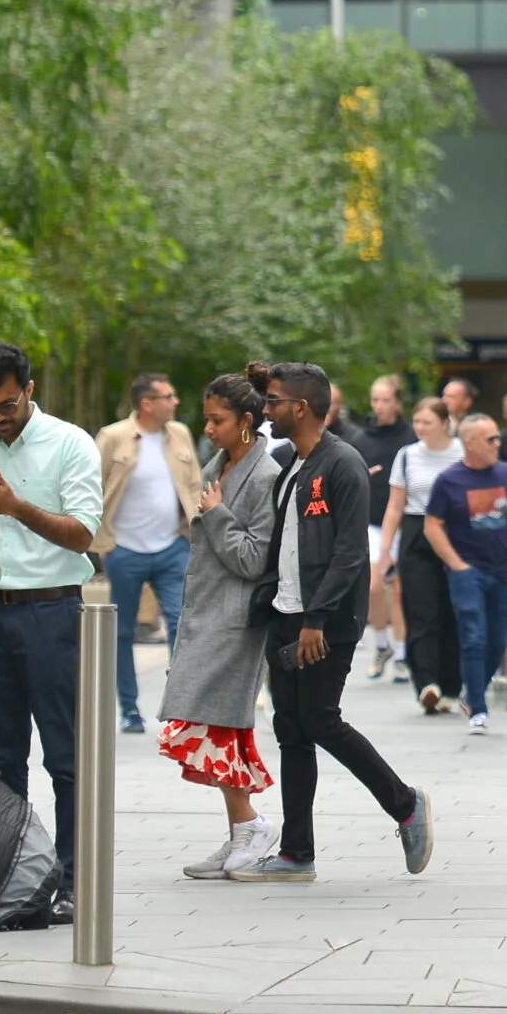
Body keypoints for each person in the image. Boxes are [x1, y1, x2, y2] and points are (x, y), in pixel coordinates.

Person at [228, 361, 434, 883]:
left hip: (324, 622)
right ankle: (297, 854)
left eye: (272, 402)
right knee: (292, 730)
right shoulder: (292, 462)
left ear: (299, 408)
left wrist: (316, 619)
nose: (264, 410)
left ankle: (405, 803)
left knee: (320, 720)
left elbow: (348, 553)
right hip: (286, 614)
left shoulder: (341, 464)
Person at [0, 340, 102, 915]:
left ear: (29, 390)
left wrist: (14, 507)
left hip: (54, 610)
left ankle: (74, 879)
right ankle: (13, 875)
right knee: (1, 755)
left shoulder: (70, 443)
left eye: (6, 405)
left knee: (66, 754)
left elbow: (83, 533)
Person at [158, 371, 284, 878]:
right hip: (207, 614)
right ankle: (242, 829)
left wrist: (215, 515)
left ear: (247, 422)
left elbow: (253, 559)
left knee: (217, 722)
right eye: (206, 417)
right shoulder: (220, 465)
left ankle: (251, 825)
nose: (207, 427)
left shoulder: (265, 475)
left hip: (234, 621)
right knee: (214, 723)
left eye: (218, 419)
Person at [95, 373, 203, 735]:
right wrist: (103, 543)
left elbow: (193, 486)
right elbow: (93, 486)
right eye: (168, 396)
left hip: (173, 546)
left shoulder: (181, 435)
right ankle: (129, 709)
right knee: (122, 632)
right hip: (124, 548)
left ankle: (180, 707)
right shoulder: (112, 437)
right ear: (147, 403)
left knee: (181, 623)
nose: (175, 402)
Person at [423, 413, 507, 734]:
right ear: (470, 443)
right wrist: (456, 563)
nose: (497, 444)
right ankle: (478, 706)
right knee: (473, 637)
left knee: (497, 642)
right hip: (468, 571)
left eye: (497, 438)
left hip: (502, 571)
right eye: (490, 439)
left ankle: (472, 690)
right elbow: (432, 525)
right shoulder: (450, 480)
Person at [379, 396, 464, 713]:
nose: (420, 428)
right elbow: (395, 506)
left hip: (455, 532)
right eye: (417, 422)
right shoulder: (407, 456)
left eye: (427, 422)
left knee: (452, 610)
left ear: (445, 423)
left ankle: (452, 685)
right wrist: (386, 548)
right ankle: (427, 683)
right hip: (416, 532)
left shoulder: (462, 452)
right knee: (420, 610)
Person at [355, 376, 414, 681]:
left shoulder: (411, 438)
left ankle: (403, 654)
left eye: (385, 400)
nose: (379, 406)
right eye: (375, 400)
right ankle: (381, 645)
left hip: (406, 521)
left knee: (402, 590)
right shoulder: (361, 439)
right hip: (372, 521)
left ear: (398, 403)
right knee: (373, 585)